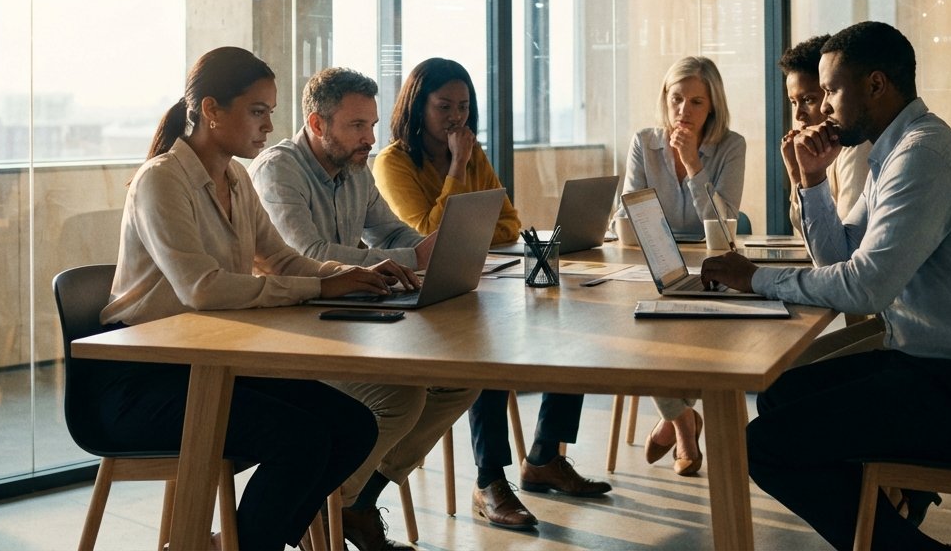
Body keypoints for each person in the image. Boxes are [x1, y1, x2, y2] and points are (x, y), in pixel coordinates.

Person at [701, 22, 951, 550]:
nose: (824, 108)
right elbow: (841, 259)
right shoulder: (894, 151)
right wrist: (812, 179)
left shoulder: (920, 157)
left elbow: (864, 291)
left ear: (876, 85)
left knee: (762, 445)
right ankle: (888, 525)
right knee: (782, 394)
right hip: (945, 369)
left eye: (831, 91)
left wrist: (755, 279)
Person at [96, 47, 411, 551]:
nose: (268, 125)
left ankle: (233, 545)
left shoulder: (236, 178)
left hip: (208, 364)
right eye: (257, 111)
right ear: (213, 110)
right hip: (142, 379)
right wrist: (320, 285)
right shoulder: (161, 181)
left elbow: (282, 261)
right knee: (302, 440)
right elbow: (202, 288)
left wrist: (349, 273)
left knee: (353, 425)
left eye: (270, 111)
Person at [373, 57, 611, 530]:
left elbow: (507, 221)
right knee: (489, 346)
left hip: (480, 278)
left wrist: (469, 215)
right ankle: (489, 481)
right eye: (443, 106)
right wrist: (458, 167)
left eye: (463, 106)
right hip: (421, 296)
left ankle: (543, 454)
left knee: (572, 325)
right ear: (417, 108)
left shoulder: (474, 152)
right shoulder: (393, 163)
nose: (456, 118)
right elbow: (427, 238)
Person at [250, 66, 478, 551]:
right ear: (317, 124)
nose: (369, 138)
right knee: (402, 396)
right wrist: (410, 258)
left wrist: (429, 249)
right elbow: (307, 256)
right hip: (292, 333)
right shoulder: (278, 169)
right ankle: (326, 504)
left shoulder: (355, 169)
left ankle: (355, 498)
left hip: (347, 322)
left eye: (372, 125)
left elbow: (391, 233)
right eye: (357, 126)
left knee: (461, 378)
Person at [617, 55, 745, 478]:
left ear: (712, 107)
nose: (683, 112)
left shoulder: (731, 147)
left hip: (712, 272)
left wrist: (693, 165)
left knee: (665, 331)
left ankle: (678, 420)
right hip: (654, 268)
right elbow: (630, 223)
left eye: (696, 103)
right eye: (676, 100)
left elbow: (722, 232)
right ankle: (684, 423)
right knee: (635, 325)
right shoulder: (644, 142)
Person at [779, 34, 871, 234]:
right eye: (793, 102)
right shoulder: (820, 146)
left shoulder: (855, 146)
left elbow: (845, 238)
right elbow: (804, 227)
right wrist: (796, 172)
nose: (798, 114)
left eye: (808, 100)